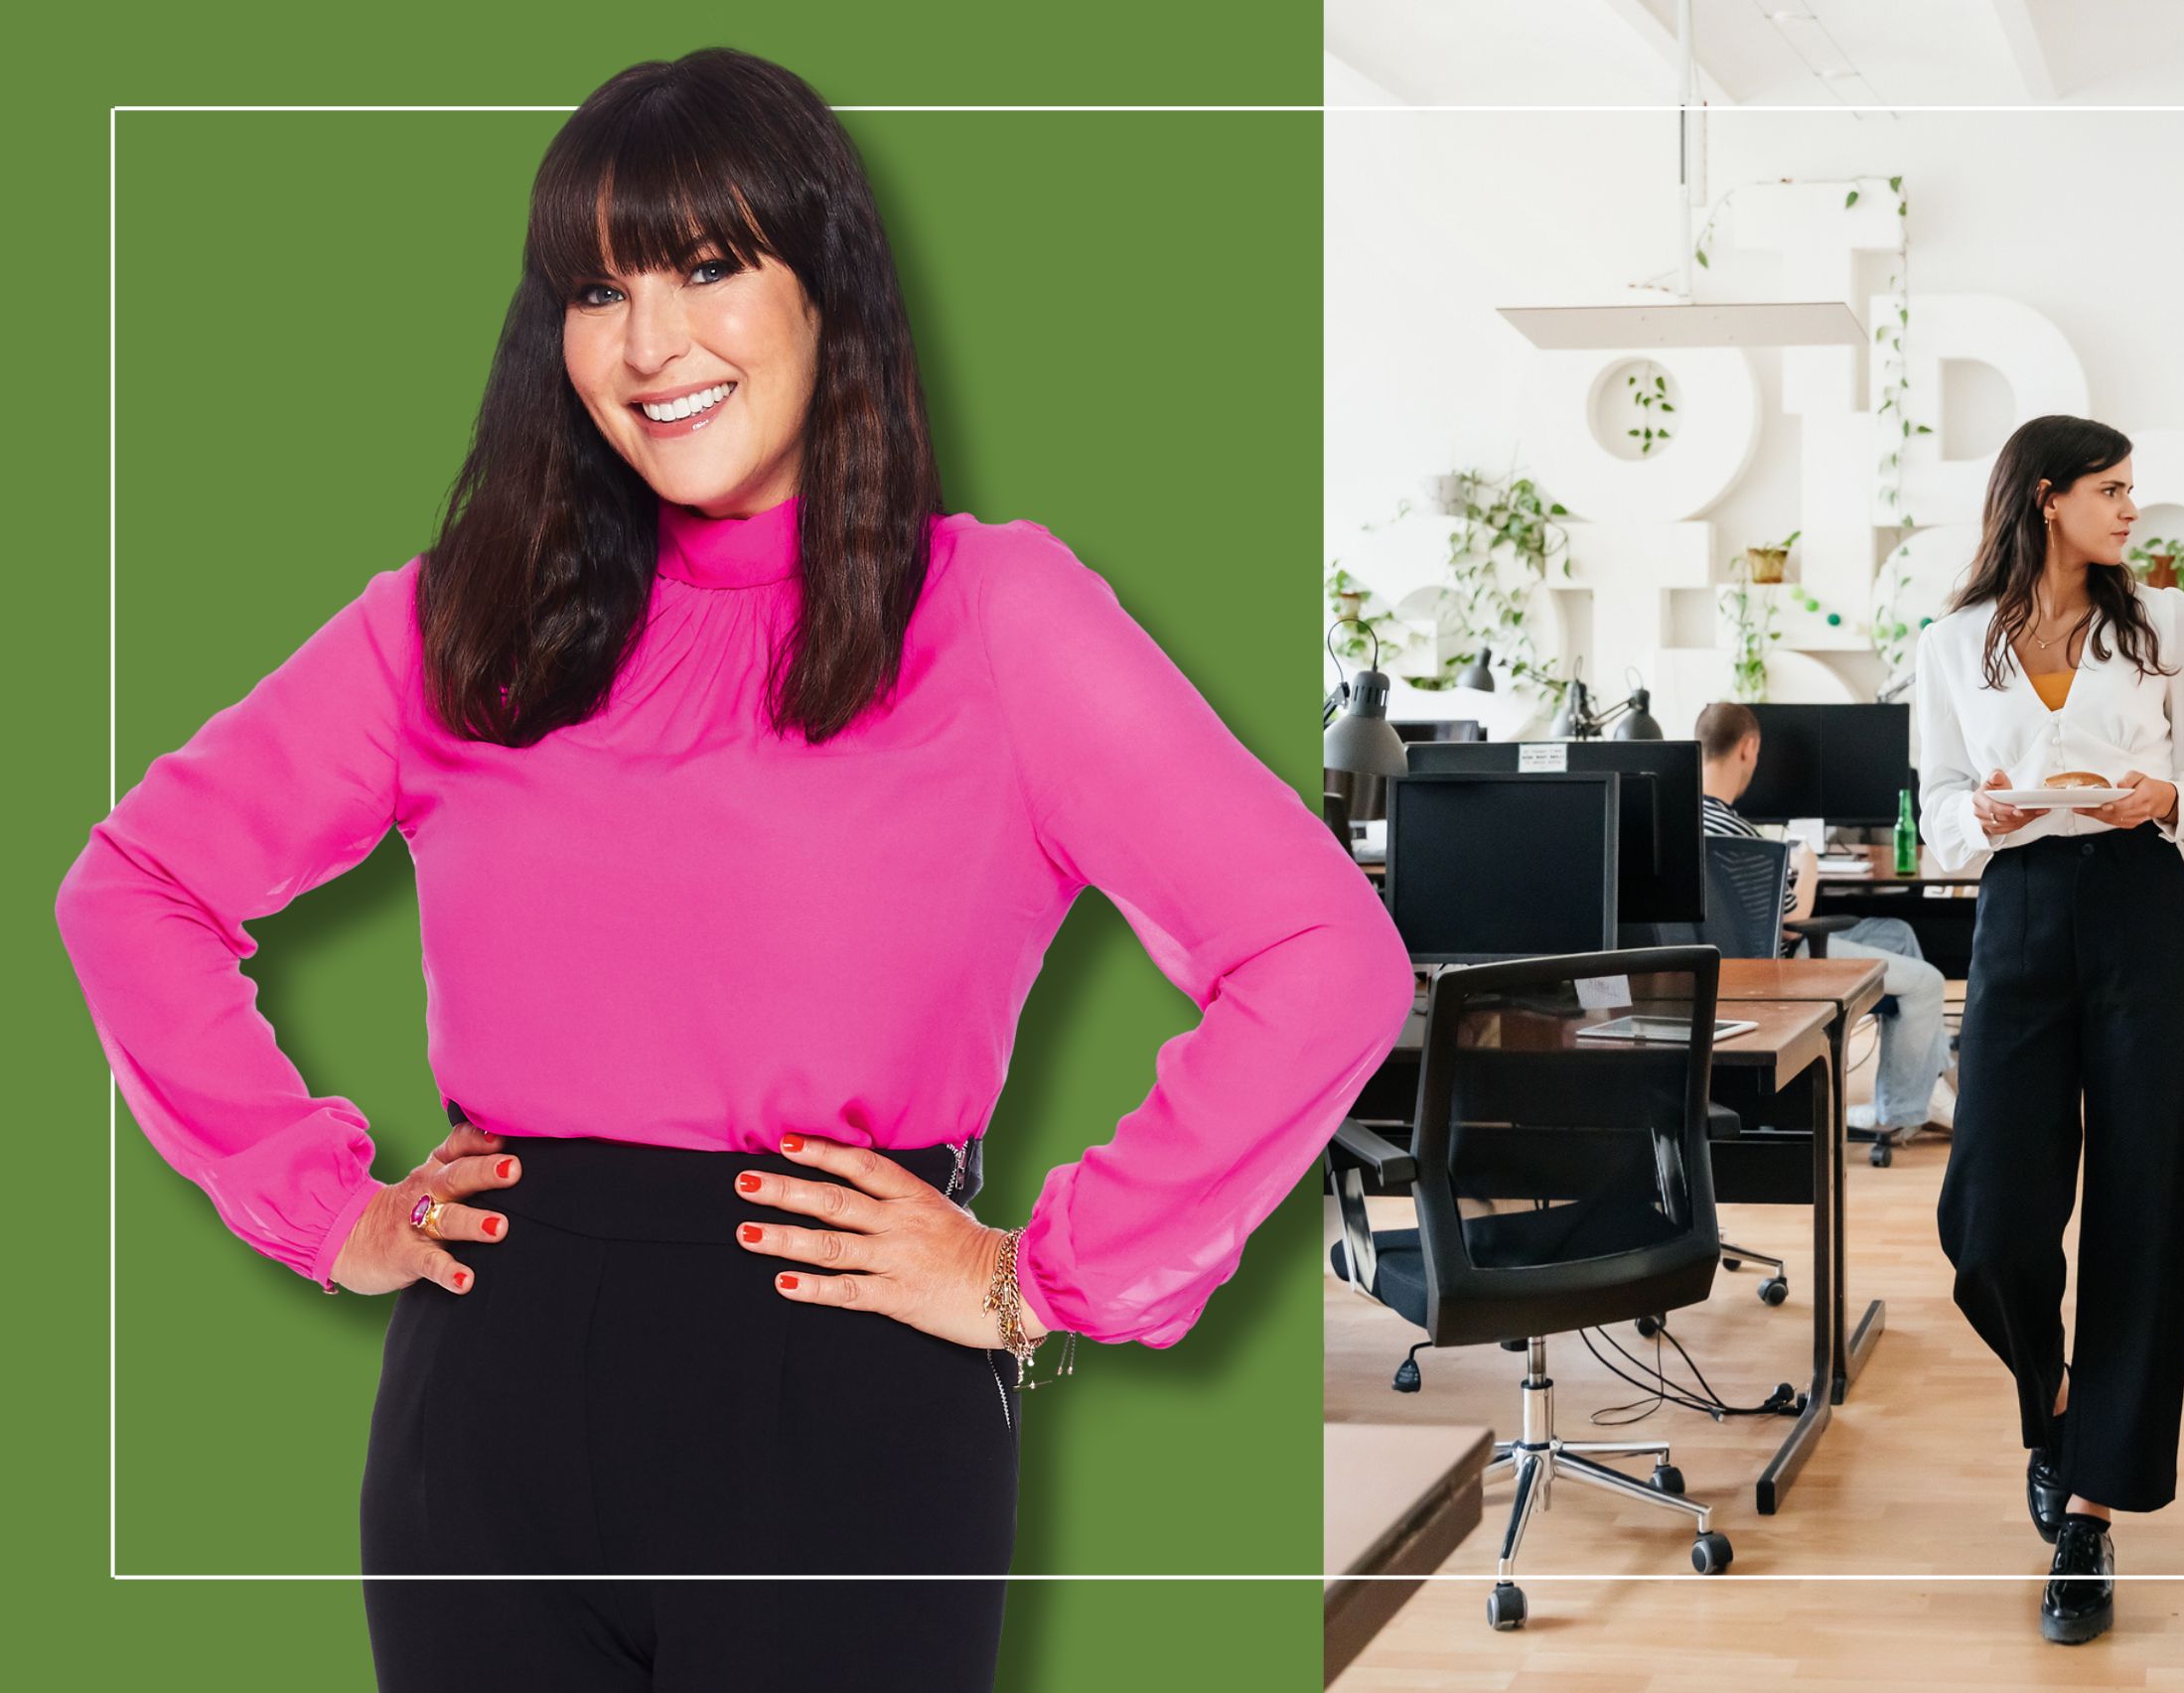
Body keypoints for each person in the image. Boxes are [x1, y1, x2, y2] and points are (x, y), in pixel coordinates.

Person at [51, 48, 1409, 1690]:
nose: (649, 343)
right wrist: (322, 1211)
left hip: (838, 1403)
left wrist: (1037, 1280)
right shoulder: (457, 625)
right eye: (596, 287)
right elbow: (133, 888)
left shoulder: (996, 618)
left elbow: (1324, 957)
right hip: (487, 1396)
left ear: (827, 287)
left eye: (708, 267)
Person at [1912, 414, 2184, 1646]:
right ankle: (2053, 1401)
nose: (2129, 511)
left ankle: (2088, 1513)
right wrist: (1979, 821)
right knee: (1986, 1220)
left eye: (2133, 491)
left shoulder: (2164, 630)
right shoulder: (1951, 643)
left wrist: (2167, 795)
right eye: (2111, 490)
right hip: (2021, 907)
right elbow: (1935, 801)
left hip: (2143, 905)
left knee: (2149, 1207)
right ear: (2047, 498)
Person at [1691, 701, 1955, 1138]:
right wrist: (1807, 864)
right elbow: (1794, 919)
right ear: (1748, 747)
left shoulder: (1691, 821)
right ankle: (1902, 1113)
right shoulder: (1736, 831)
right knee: (1927, 982)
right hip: (1781, 963)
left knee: (1898, 934)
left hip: (1726, 963)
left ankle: (1924, 1085)